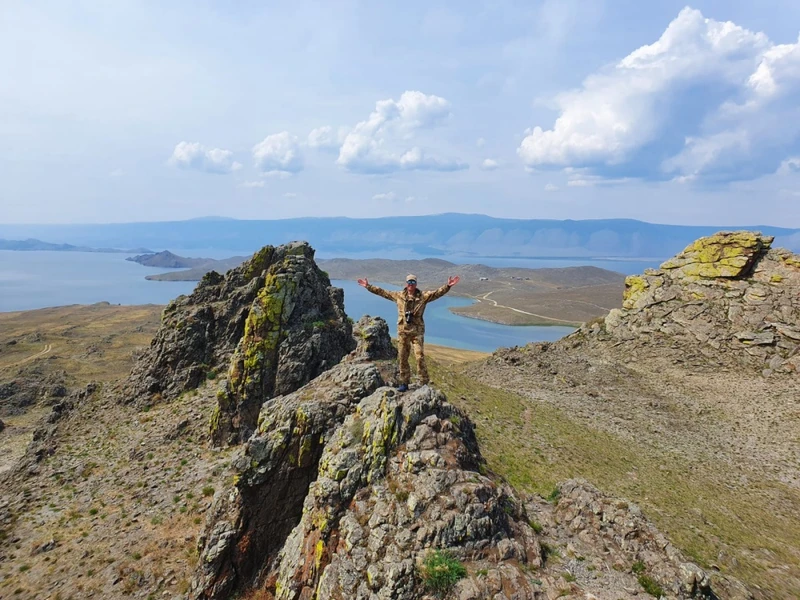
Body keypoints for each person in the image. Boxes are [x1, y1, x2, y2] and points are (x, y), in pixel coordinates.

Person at [357, 273, 460, 391]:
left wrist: (448, 286)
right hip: (403, 332)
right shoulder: (399, 295)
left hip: (417, 332)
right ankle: (404, 383)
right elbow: (382, 292)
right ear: (406, 284)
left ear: (416, 284)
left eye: (413, 282)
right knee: (402, 357)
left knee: (419, 356)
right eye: (409, 282)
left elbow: (437, 293)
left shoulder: (423, 297)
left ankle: (424, 382)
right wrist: (368, 286)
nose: (411, 284)